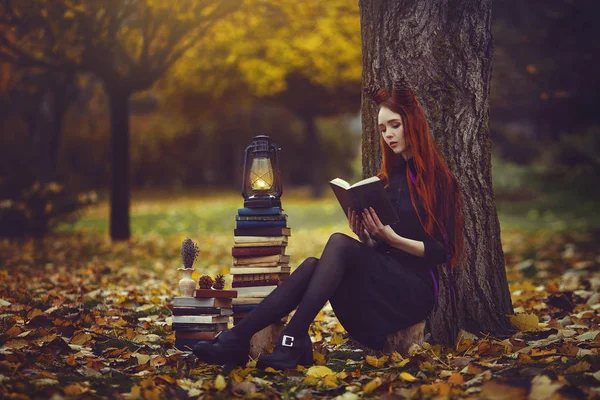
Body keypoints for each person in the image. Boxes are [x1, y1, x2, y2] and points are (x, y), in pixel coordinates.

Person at [193, 79, 465, 370]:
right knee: (312, 264)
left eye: (395, 125)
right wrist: (369, 236)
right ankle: (239, 338)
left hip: (413, 292)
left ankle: (290, 338)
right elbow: (381, 249)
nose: (388, 135)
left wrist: (392, 238)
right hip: (382, 283)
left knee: (337, 242)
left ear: (413, 123)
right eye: (383, 129)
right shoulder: (388, 179)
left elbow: (444, 252)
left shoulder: (440, 180)